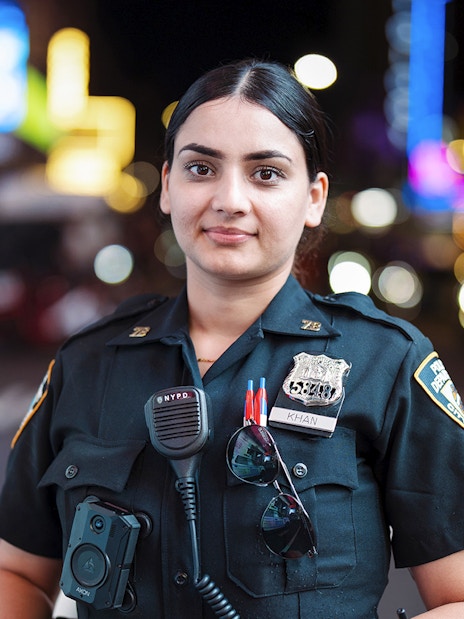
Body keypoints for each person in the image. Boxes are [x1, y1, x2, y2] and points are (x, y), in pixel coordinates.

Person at [0, 58, 463, 619]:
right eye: (201, 169)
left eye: (266, 173)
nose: (230, 200)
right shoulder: (88, 363)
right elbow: (18, 571)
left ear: (314, 197)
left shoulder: (384, 362)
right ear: (167, 186)